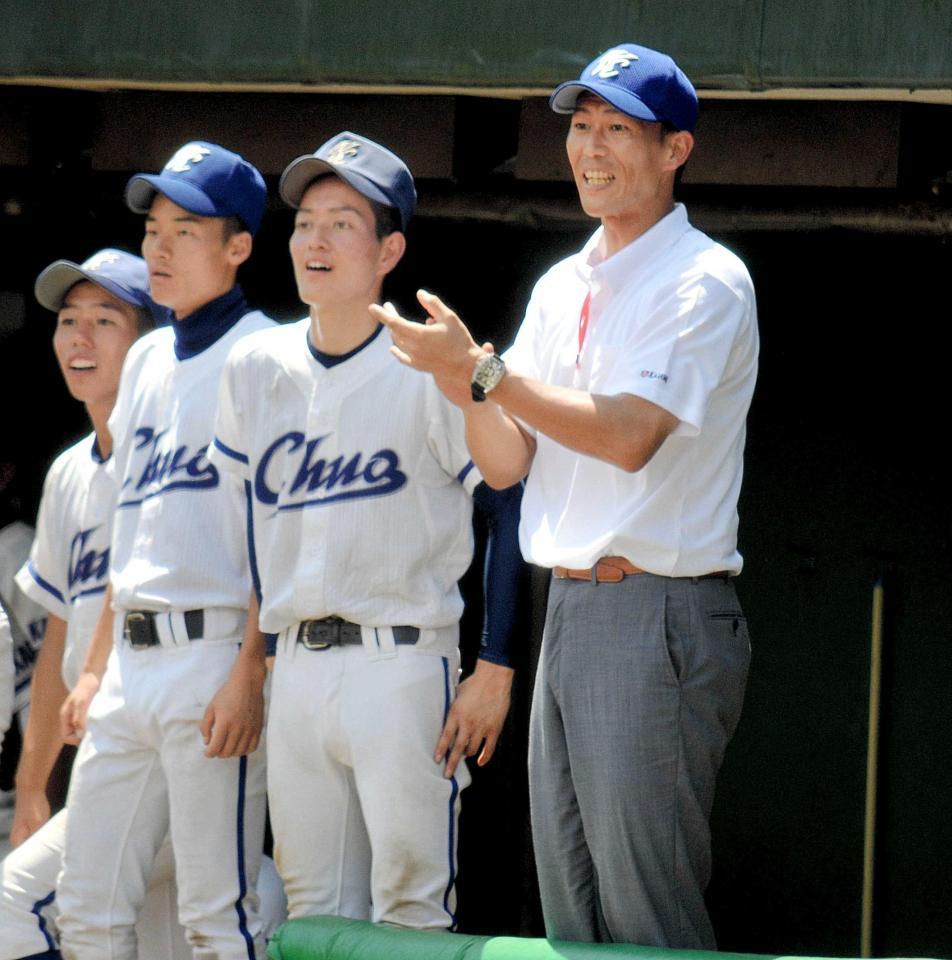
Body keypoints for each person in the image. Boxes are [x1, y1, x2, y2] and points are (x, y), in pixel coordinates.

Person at [377, 42, 759, 949]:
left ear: (676, 149)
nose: (591, 147)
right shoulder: (562, 283)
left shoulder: (704, 277)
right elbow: (508, 463)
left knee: (644, 914)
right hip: (572, 610)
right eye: (581, 128)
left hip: (657, 607)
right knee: (574, 918)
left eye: (617, 129)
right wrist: (455, 380)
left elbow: (628, 436)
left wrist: (483, 372)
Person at [210, 131, 523, 931]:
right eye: (305, 221)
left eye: (341, 223)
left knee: (411, 913)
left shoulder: (427, 365)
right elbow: (252, 528)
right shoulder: (254, 366)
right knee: (314, 918)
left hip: (403, 662)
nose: (314, 239)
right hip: (298, 674)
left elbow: (507, 501)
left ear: (390, 250)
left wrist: (495, 663)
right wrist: (255, 660)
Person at [54, 143, 275, 960]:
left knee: (217, 920)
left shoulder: (266, 355)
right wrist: (93, 669)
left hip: (214, 652)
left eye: (185, 229)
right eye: (152, 228)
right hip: (131, 667)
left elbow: (276, 537)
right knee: (85, 912)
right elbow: (129, 532)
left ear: (238, 246)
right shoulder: (144, 356)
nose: (159, 247)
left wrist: (251, 669)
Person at [0, 249, 197, 960]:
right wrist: (31, 786)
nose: (78, 338)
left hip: (174, 748)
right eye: (68, 320)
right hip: (106, 760)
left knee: (11, 908)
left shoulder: (191, 457)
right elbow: (59, 635)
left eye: (104, 320)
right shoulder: (70, 471)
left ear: (152, 341)